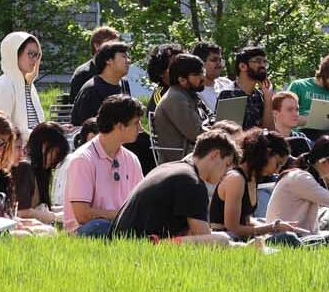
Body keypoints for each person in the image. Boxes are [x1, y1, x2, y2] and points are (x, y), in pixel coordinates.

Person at [113, 132, 257, 247]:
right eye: (226, 165)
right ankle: (247, 248)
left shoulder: (171, 168)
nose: (226, 173)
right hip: (145, 245)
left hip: (125, 242)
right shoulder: (191, 182)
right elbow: (204, 237)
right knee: (221, 240)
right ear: (215, 155)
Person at [62, 94, 146, 237]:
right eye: (136, 123)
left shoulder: (131, 159)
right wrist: (122, 216)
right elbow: (82, 215)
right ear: (120, 126)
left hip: (120, 225)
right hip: (87, 230)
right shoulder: (83, 159)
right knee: (100, 227)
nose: (141, 129)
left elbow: (141, 204)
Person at [210, 128, 300, 240]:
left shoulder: (252, 178)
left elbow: (246, 220)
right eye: (278, 163)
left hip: (242, 239)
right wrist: (272, 228)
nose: (277, 171)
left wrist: (276, 227)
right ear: (267, 153)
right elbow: (233, 228)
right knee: (288, 238)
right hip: (226, 240)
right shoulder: (236, 179)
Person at [263, 134, 329, 234]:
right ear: (324, 161)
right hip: (285, 236)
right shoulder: (301, 178)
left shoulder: (306, 177)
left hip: (297, 233)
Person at [0, 31, 47, 142]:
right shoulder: (4, 85)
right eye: (31, 54)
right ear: (14, 54)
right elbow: (2, 130)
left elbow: (36, 125)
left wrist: (55, 130)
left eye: (37, 55)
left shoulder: (29, 87)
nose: (35, 60)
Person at [8, 121, 71, 224]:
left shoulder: (41, 172)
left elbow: (41, 208)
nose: (56, 159)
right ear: (44, 146)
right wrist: (54, 217)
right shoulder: (24, 168)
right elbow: (22, 211)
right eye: (56, 152)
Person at [152, 52, 211, 154]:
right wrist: (224, 134)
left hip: (199, 155)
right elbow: (197, 134)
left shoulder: (191, 94)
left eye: (202, 72)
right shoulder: (176, 98)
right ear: (182, 80)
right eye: (197, 74)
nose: (202, 77)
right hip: (182, 161)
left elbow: (210, 116)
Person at [71, 40, 134, 127]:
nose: (128, 61)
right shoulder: (92, 90)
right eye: (124, 57)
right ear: (108, 60)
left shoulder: (123, 84)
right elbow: (87, 130)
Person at [217, 46, 272, 130]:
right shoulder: (229, 94)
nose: (263, 65)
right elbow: (227, 135)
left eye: (265, 62)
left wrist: (268, 98)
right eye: (258, 61)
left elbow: (269, 132)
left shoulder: (260, 96)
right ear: (242, 66)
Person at [66, 25, 121, 98]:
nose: (115, 50)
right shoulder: (83, 74)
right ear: (97, 46)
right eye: (111, 45)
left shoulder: (119, 72)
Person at [192, 41, 230, 114]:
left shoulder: (227, 83)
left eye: (220, 60)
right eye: (214, 60)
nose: (219, 64)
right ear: (200, 63)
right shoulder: (195, 93)